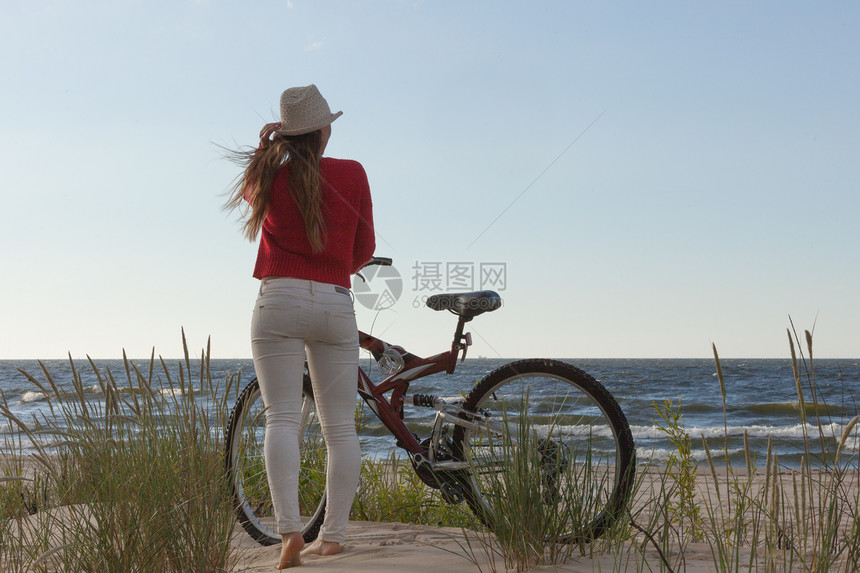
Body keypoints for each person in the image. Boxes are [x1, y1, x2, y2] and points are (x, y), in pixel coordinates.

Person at [226, 84, 375, 569]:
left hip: (279, 299)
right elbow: (364, 248)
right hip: (335, 302)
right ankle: (331, 537)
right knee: (340, 429)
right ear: (324, 129)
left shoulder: (269, 174)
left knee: (282, 420)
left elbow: (251, 193)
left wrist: (266, 149)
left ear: (289, 133)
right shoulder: (352, 174)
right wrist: (333, 270)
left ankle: (290, 533)